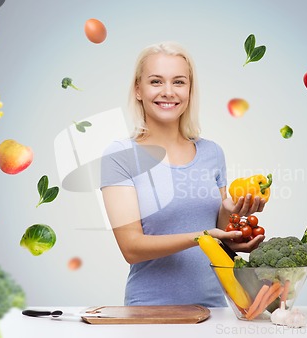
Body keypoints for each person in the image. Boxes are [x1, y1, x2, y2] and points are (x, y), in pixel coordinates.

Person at [100, 41, 266, 307]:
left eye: (178, 82)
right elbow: (131, 248)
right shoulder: (120, 156)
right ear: (138, 89)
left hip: (215, 308)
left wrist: (229, 212)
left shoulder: (212, 152)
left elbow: (219, 238)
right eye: (156, 81)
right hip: (151, 312)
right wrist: (200, 237)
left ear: (189, 90)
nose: (168, 92)